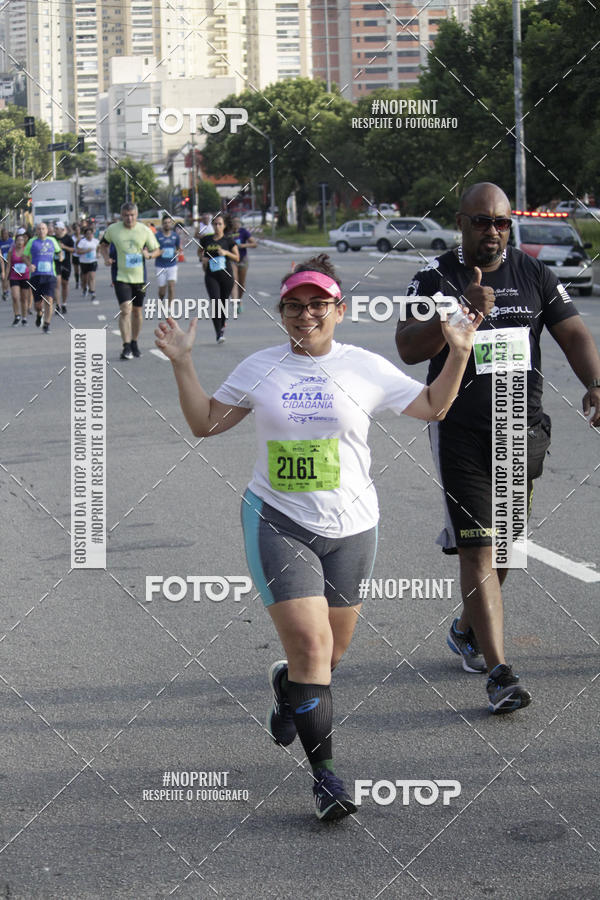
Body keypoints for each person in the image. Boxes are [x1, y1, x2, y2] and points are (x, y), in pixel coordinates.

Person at [155, 253, 479, 821]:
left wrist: (458, 352)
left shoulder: (364, 367)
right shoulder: (261, 367)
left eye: (317, 305)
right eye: (294, 305)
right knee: (310, 648)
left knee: (330, 654)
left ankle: (287, 688)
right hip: (278, 520)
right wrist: (183, 362)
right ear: (281, 311)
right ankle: (325, 776)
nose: (306, 314)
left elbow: (433, 406)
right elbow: (206, 423)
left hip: (353, 526)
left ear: (339, 310)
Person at [396, 182, 600, 714]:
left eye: (502, 222)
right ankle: (500, 672)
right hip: (459, 429)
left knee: (505, 549)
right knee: (478, 548)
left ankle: (467, 629)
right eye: (482, 221)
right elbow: (408, 347)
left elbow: (573, 333)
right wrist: (458, 315)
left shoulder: (533, 273)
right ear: (460, 223)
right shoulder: (434, 277)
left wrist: (595, 384)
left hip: (520, 428)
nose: (493, 231)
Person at [99, 202, 160, 359]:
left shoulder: (144, 230)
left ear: (137, 215)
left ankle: (134, 341)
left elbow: (157, 249)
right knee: (126, 309)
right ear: (121, 215)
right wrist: (106, 258)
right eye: (126, 215)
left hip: (139, 277)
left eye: (132, 215)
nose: (129, 218)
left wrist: (150, 255)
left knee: (137, 312)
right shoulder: (113, 229)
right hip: (121, 276)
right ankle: (126, 345)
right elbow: (103, 245)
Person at [198, 213, 239, 343]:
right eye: (215, 224)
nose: (217, 226)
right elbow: (200, 252)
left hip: (226, 275)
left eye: (220, 224)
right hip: (211, 275)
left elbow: (237, 257)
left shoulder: (228, 240)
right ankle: (218, 333)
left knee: (223, 302)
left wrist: (226, 252)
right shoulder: (206, 239)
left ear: (224, 226)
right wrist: (202, 258)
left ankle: (222, 324)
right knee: (215, 302)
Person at [24, 222, 63, 334]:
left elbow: (59, 252)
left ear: (47, 230)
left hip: (50, 275)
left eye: (43, 229)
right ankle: (39, 314)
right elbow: (24, 256)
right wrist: (29, 265)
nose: (41, 231)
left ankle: (46, 324)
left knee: (49, 300)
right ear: (36, 231)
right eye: (39, 229)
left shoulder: (52, 240)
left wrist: (60, 257)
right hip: (36, 276)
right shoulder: (32, 242)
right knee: (38, 304)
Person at [230, 215, 257, 309]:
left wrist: (243, 245)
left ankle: (239, 299)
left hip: (243, 259)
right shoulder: (227, 233)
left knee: (241, 283)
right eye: (234, 222)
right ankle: (235, 301)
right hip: (232, 259)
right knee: (234, 280)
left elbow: (254, 244)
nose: (235, 224)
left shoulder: (243, 232)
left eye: (237, 222)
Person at [155, 214, 180, 310]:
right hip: (160, 265)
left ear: (171, 224)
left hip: (172, 265)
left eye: (169, 223)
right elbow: (154, 249)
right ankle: (161, 301)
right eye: (165, 223)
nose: (167, 224)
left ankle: (170, 308)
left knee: (171, 286)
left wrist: (176, 252)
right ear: (162, 224)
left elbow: (178, 249)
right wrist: (159, 252)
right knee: (162, 290)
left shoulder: (175, 236)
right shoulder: (157, 236)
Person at [7, 233, 30, 325]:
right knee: (15, 297)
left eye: (21, 240)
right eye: (18, 240)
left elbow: (30, 263)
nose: (20, 242)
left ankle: (24, 318)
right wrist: (5, 277)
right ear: (15, 242)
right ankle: (17, 315)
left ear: (24, 242)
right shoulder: (11, 251)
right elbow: (8, 264)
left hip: (25, 276)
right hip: (14, 276)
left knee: (24, 298)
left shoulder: (27, 251)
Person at [54, 222, 74, 314]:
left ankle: (64, 304)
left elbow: (73, 250)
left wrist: (64, 247)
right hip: (56, 263)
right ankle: (57, 305)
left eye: (57, 228)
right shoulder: (53, 238)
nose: (55, 230)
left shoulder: (68, 238)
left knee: (64, 284)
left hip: (66, 264)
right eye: (55, 228)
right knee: (57, 284)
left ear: (62, 229)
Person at [77, 226, 100, 301]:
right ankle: (84, 289)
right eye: (87, 234)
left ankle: (92, 291)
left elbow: (99, 247)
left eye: (91, 234)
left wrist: (98, 253)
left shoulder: (95, 241)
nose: (89, 235)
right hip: (84, 262)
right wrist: (86, 251)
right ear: (85, 235)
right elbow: (78, 252)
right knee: (85, 279)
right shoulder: (82, 242)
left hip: (93, 261)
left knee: (92, 276)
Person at [1, 227, 14, 302]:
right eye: (3, 234)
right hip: (2, 261)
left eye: (6, 234)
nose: (5, 235)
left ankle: (7, 290)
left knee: (8, 277)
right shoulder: (0, 242)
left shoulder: (11, 241)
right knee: (3, 278)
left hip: (10, 262)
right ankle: (4, 291)